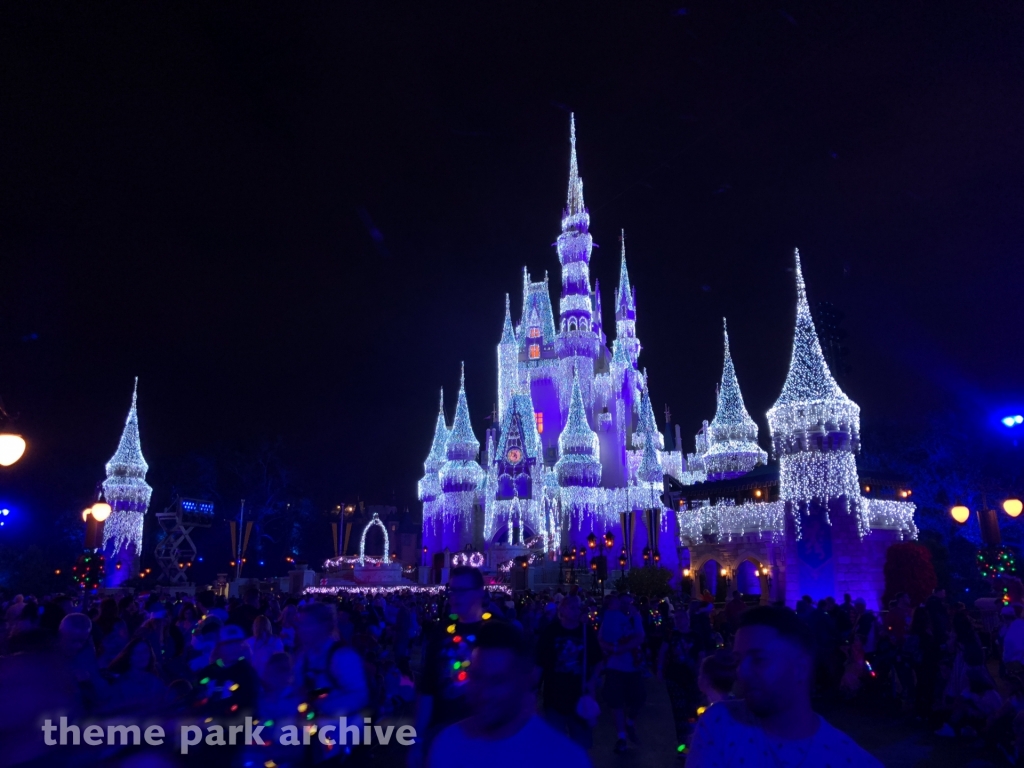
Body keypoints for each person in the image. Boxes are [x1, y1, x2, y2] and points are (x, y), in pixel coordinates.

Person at [687, 606, 882, 767]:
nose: (741, 672)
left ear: (800, 667)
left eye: (759, 659)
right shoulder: (720, 723)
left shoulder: (852, 761)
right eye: (738, 660)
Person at [426, 621, 592, 768]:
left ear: (524, 681)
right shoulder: (447, 744)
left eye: (497, 681)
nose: (484, 692)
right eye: (477, 677)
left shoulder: (565, 759)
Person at [411, 566, 494, 768]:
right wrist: (418, 741)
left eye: (461, 591)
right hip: (443, 734)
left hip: (486, 738)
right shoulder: (440, 634)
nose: (454, 596)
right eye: (452, 590)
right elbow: (427, 689)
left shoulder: (496, 633)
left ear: (478, 592)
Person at [535, 594, 601, 748]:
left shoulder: (586, 632)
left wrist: (592, 681)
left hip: (579, 696)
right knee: (556, 747)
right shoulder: (551, 632)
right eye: (572, 607)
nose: (576, 611)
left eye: (578, 607)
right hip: (554, 697)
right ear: (562, 609)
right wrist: (533, 690)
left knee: (581, 746)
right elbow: (540, 663)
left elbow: (597, 660)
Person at [598, 592, 646, 754]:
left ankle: (630, 722)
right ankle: (622, 737)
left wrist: (620, 648)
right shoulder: (610, 618)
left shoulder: (634, 617)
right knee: (616, 702)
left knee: (639, 699)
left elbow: (640, 637)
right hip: (615, 666)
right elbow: (602, 639)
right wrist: (613, 648)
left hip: (633, 666)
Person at [246, 615, 284, 679]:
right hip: (271, 676)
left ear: (255, 627)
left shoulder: (249, 642)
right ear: (269, 626)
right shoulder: (276, 641)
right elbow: (280, 659)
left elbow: (246, 661)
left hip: (255, 676)